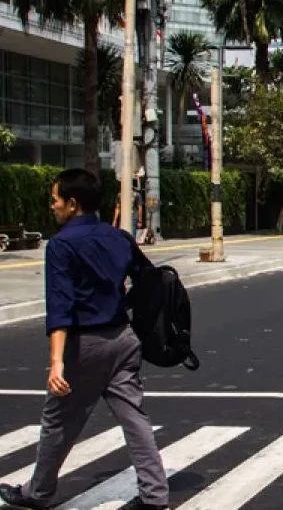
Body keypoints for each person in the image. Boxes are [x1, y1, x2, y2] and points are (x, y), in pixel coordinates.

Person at [0, 169, 168, 510]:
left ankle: (39, 493)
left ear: (72, 204)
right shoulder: (119, 238)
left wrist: (57, 362)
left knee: (58, 421)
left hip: (84, 346)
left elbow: (60, 306)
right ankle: (155, 495)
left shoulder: (61, 245)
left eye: (55, 200)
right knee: (134, 417)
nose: (52, 207)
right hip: (124, 338)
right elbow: (148, 278)